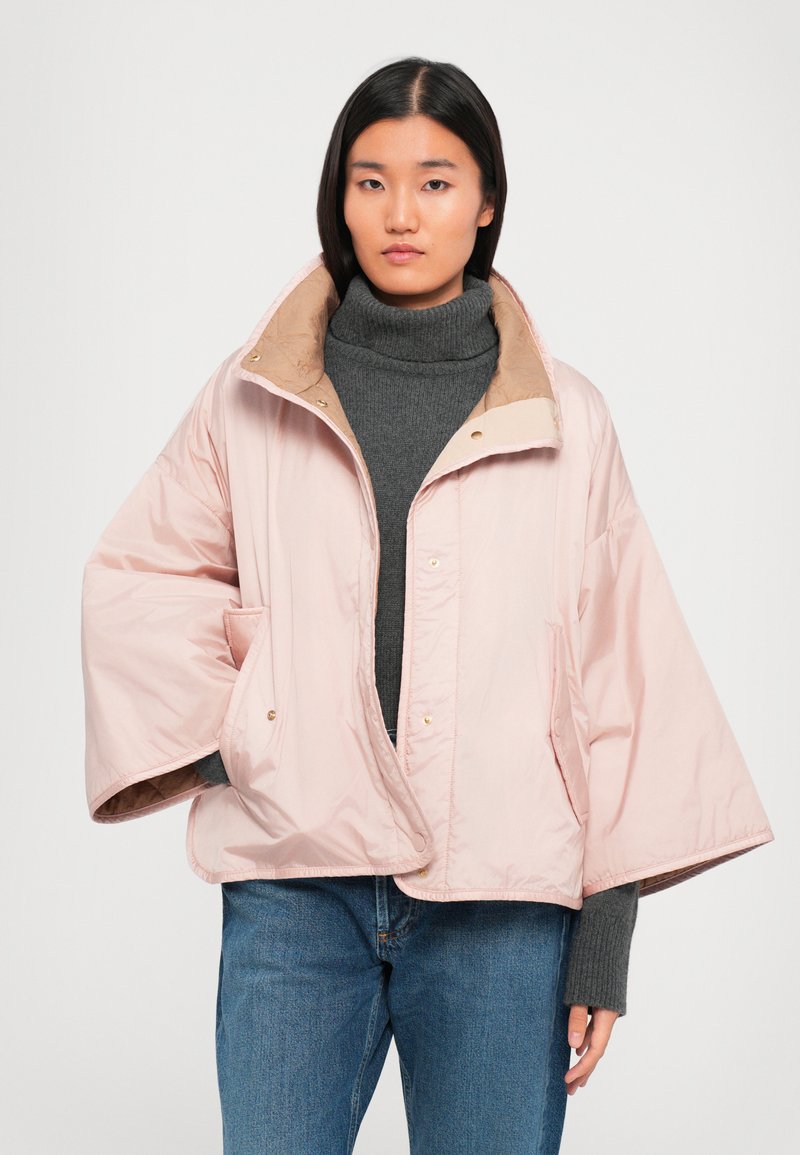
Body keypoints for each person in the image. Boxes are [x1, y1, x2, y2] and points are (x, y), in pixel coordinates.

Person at [81, 57, 774, 1154]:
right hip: (295, 887)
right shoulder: (248, 396)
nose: (400, 212)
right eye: (371, 181)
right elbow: (140, 576)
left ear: (486, 200)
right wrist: (234, 736)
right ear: (339, 195)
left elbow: (623, 665)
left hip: (506, 908)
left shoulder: (569, 417)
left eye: (435, 181)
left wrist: (605, 933)